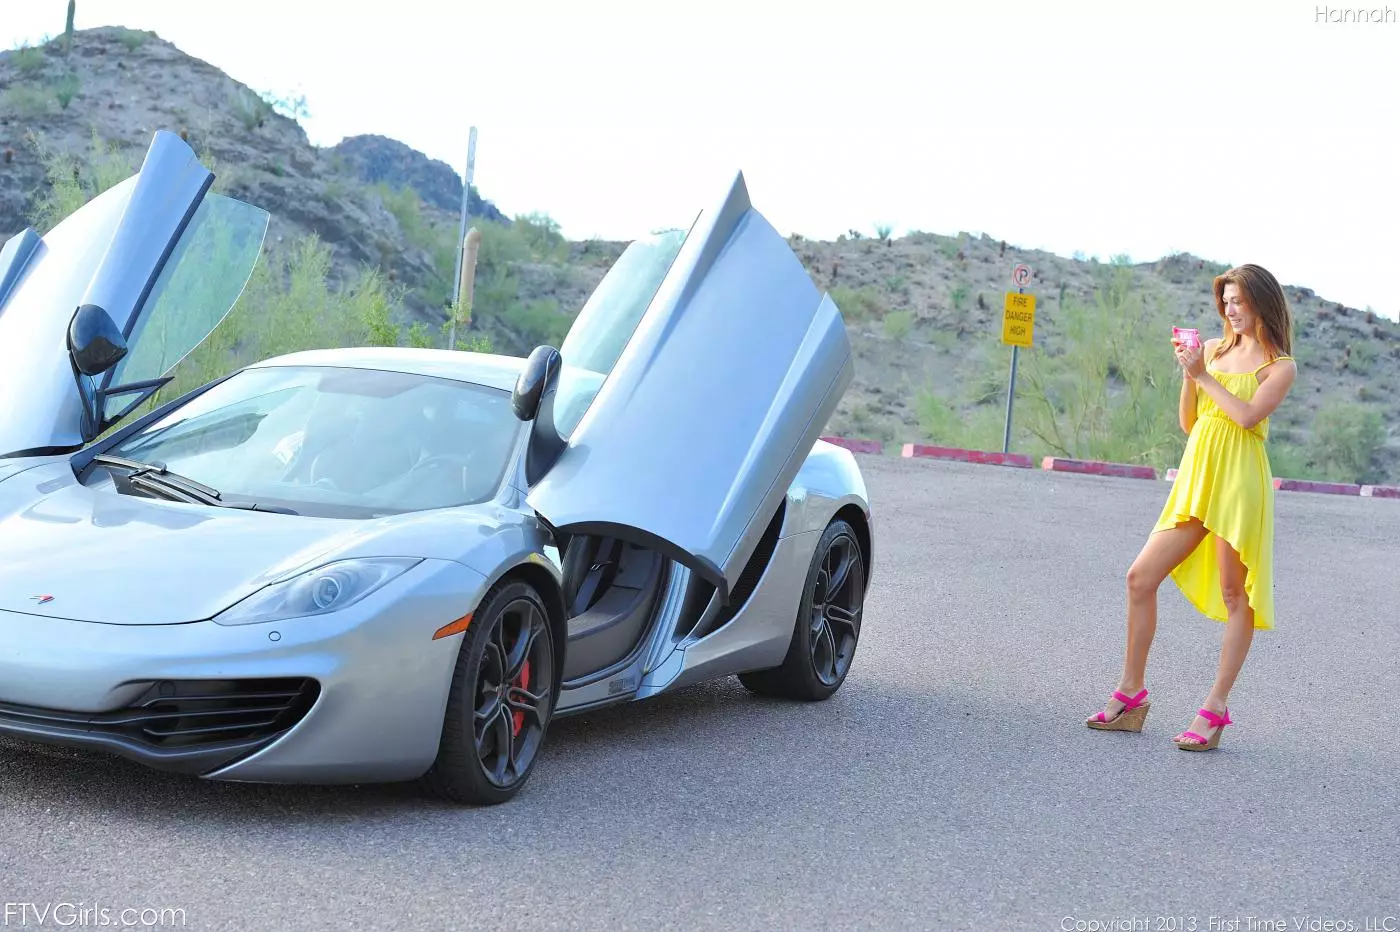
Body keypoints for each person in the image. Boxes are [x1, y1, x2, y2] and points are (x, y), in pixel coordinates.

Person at [1085, 263, 1298, 751]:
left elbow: (1247, 417)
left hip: (1239, 482)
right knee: (1140, 578)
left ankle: (1214, 708)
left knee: (1235, 595)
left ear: (1262, 303)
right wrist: (1190, 374)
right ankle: (1131, 693)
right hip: (1198, 477)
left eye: (1239, 301)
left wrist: (1204, 375)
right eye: (1226, 301)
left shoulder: (1279, 365)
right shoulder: (1214, 351)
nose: (1231, 310)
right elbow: (1189, 423)